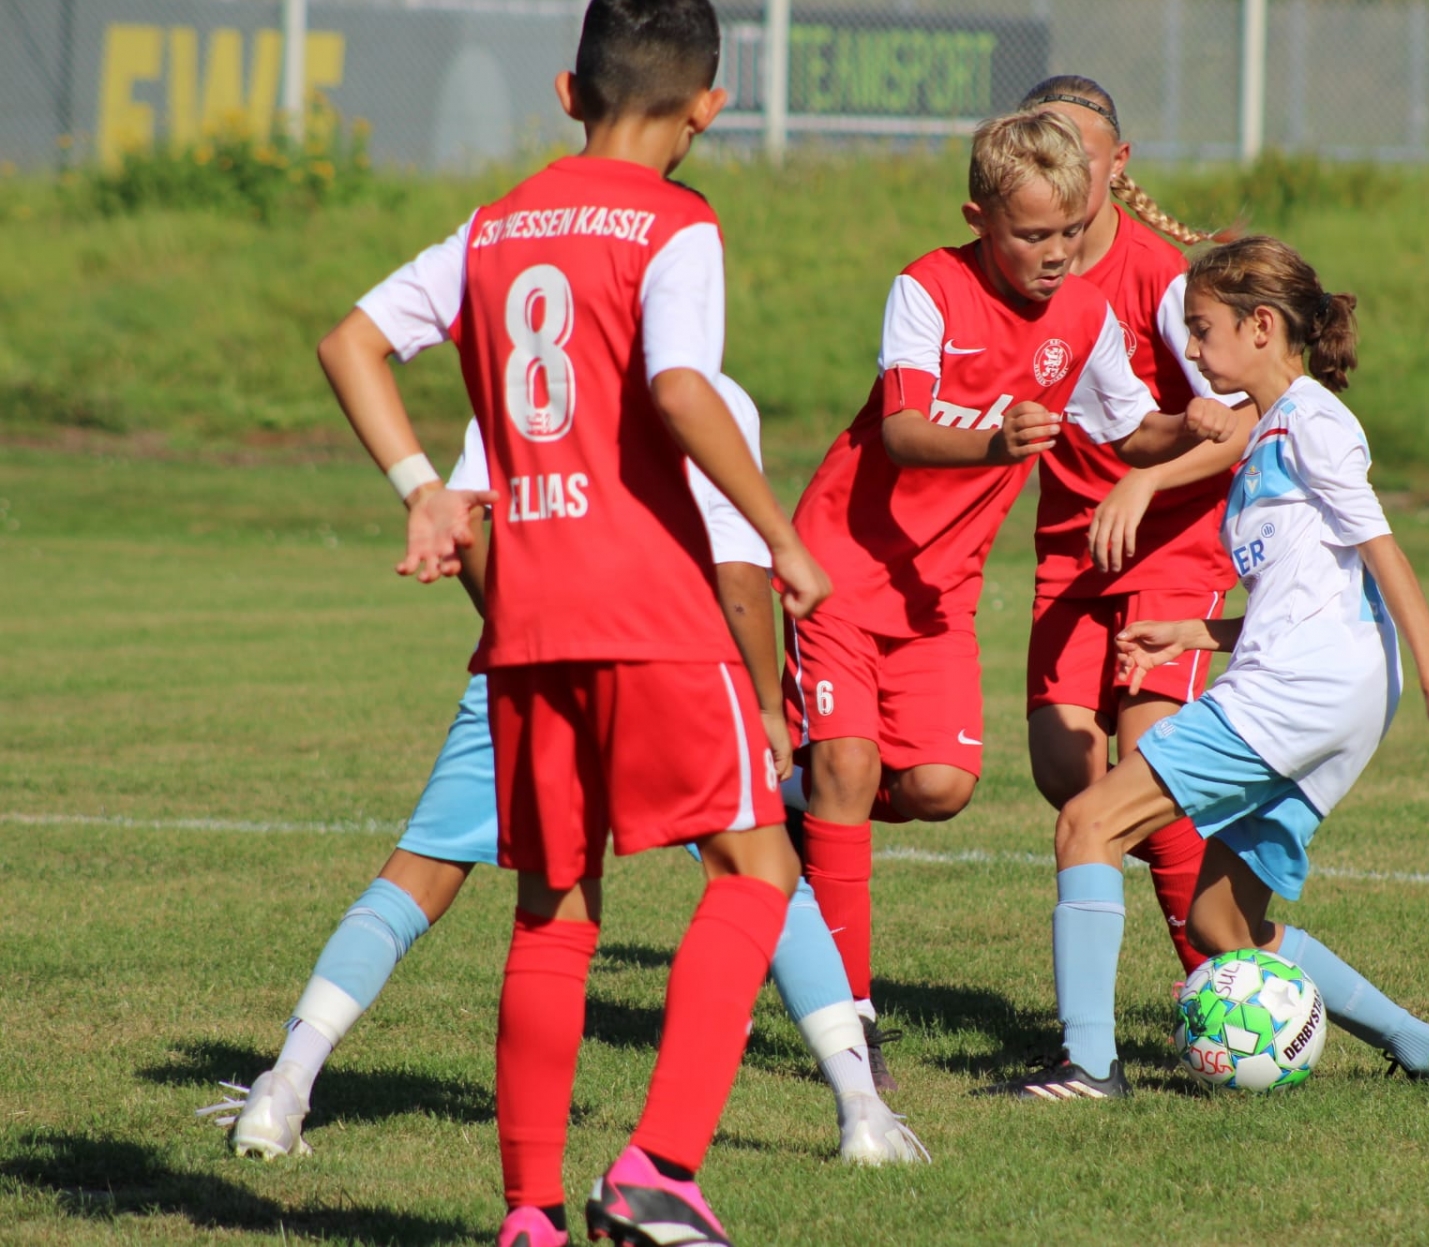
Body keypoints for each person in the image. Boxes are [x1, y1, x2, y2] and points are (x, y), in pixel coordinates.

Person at [318, 0, 834, 1244]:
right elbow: (679, 386)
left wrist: (425, 489)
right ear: (709, 106)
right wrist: (779, 534)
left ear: (568, 92)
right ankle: (660, 1165)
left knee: (554, 907)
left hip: (528, 615)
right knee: (757, 867)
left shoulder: (493, 227)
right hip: (653, 606)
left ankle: (529, 1216)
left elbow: (349, 343)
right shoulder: (677, 223)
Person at [204, 397, 925, 1173]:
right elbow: (738, 568)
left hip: (535, 665)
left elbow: (464, 521)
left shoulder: (516, 375)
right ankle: (861, 1109)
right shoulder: (701, 388)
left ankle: (285, 1086)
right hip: (673, 666)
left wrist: (519, 636)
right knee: (767, 874)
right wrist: (764, 704)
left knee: (422, 875)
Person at [986, 235, 1429, 1102]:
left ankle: (1088, 1065)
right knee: (1220, 920)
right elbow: (1308, 592)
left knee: (1088, 822)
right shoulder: (1270, 433)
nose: (1190, 348)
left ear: (1261, 326)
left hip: (1298, 694)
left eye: (1202, 328)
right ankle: (1427, 1048)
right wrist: (1195, 632)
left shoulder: (1311, 423)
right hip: (1336, 698)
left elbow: (1383, 553)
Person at [783, 107, 1237, 1089]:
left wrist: (1189, 424)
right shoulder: (927, 288)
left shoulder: (1086, 315)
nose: (1056, 252)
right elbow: (901, 429)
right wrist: (992, 442)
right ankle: (851, 1020)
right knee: (851, 767)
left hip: (938, 592)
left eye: (1070, 231)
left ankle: (799, 803)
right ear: (979, 220)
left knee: (940, 788)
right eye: (1033, 234)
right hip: (839, 565)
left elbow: (1129, 431)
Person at [1015, 75, 1256, 978]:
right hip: (1072, 551)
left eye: (1080, 153)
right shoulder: (1017, 270)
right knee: (1065, 771)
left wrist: (1146, 482)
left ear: (1118, 164)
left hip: (1173, 545)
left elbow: (1241, 420)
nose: (1063, 169)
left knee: (1146, 767)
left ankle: (1224, 981)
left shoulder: (1158, 277)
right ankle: (1216, 970)